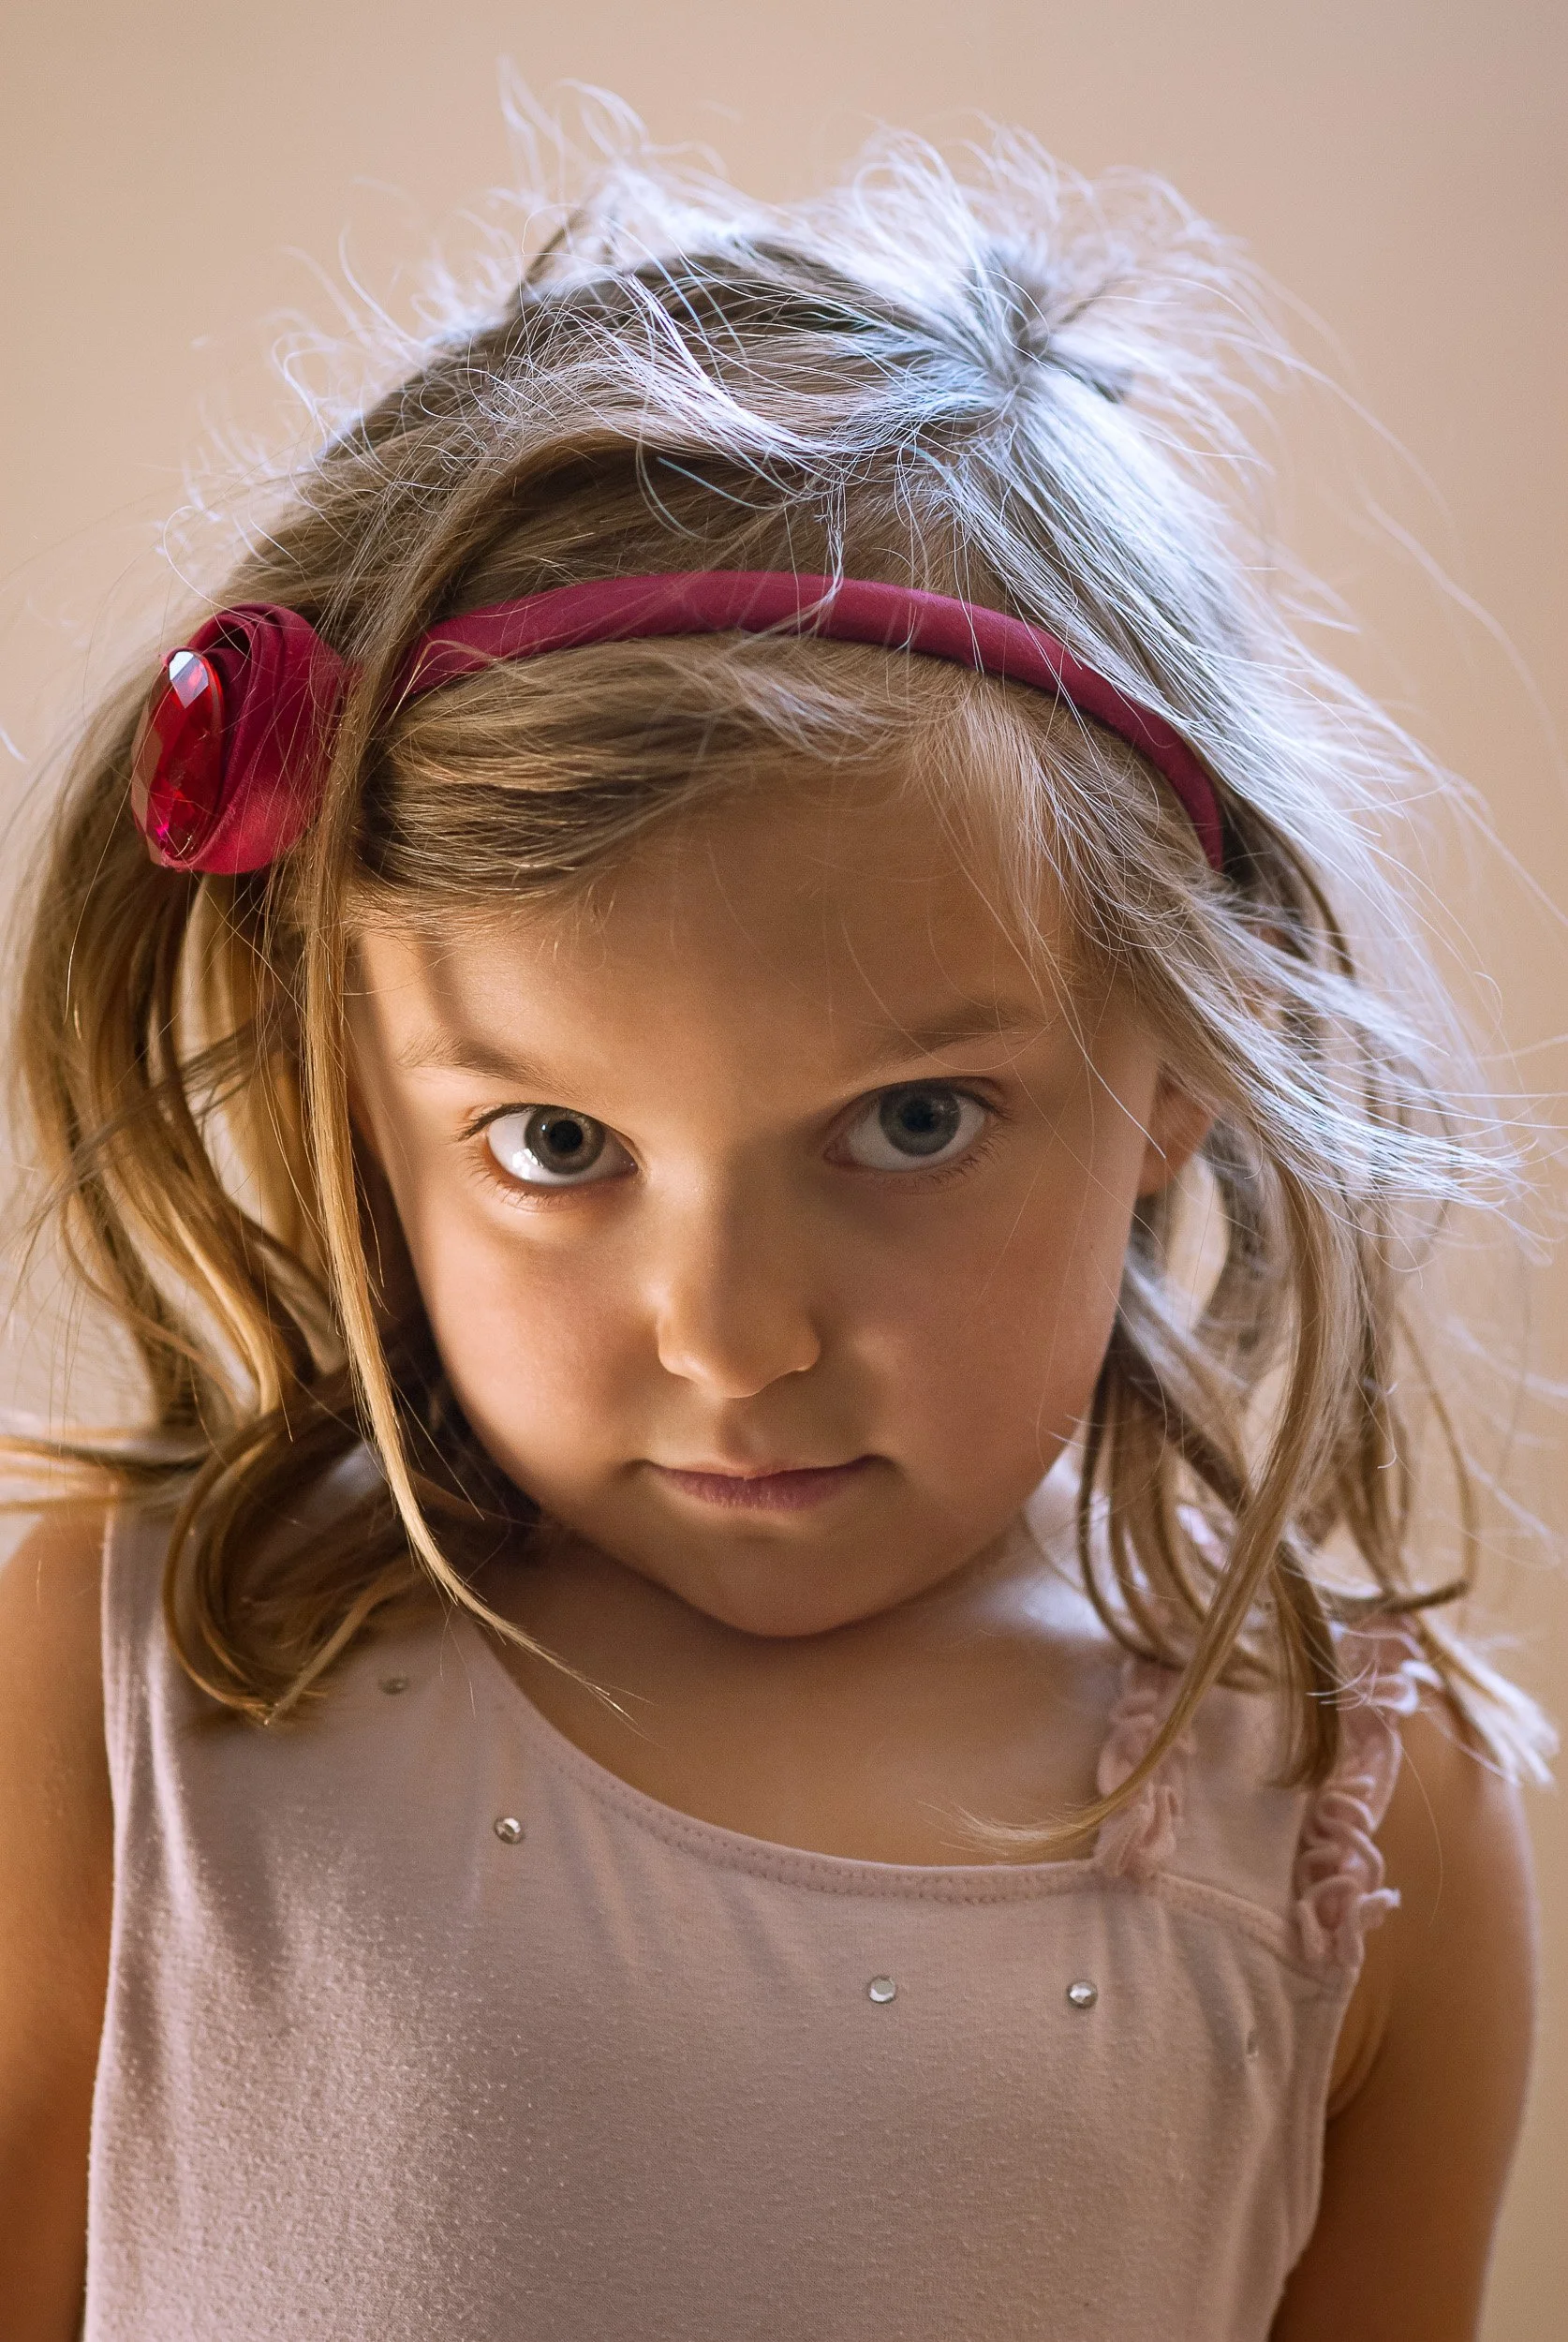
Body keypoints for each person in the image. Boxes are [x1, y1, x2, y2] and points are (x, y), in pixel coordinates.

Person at [0, 132, 1550, 2342]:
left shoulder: (1352, 1836)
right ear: (356, 1086)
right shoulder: (135, 1691)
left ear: (1190, 1047)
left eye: (910, 1122)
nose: (733, 1338)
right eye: (556, 1139)